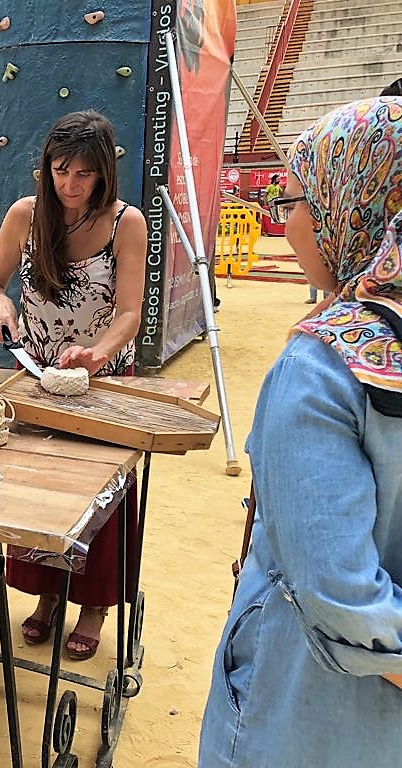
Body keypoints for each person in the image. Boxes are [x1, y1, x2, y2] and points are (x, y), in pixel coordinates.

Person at [199, 97, 402, 767]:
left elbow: (343, 597)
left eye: (294, 201)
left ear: (353, 204)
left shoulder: (320, 368)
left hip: (305, 712)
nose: (285, 224)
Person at [0, 110, 147, 660]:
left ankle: (94, 605)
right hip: (37, 374)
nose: (70, 185)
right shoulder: (25, 215)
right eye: (60, 171)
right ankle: (47, 593)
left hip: (101, 379)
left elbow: (130, 312)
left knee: (100, 494)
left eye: (83, 174)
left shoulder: (126, 223)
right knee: (38, 487)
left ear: (103, 174)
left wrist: (98, 354)